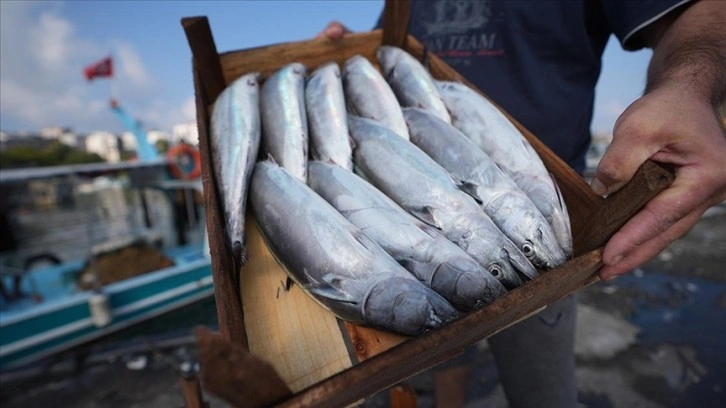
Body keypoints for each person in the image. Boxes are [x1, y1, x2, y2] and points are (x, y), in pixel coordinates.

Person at [318, 1, 726, 407]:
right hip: (407, 204)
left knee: (542, 384)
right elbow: (389, 50)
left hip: (550, 222)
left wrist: (688, 88)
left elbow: (699, 12)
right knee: (444, 348)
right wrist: (350, 49)